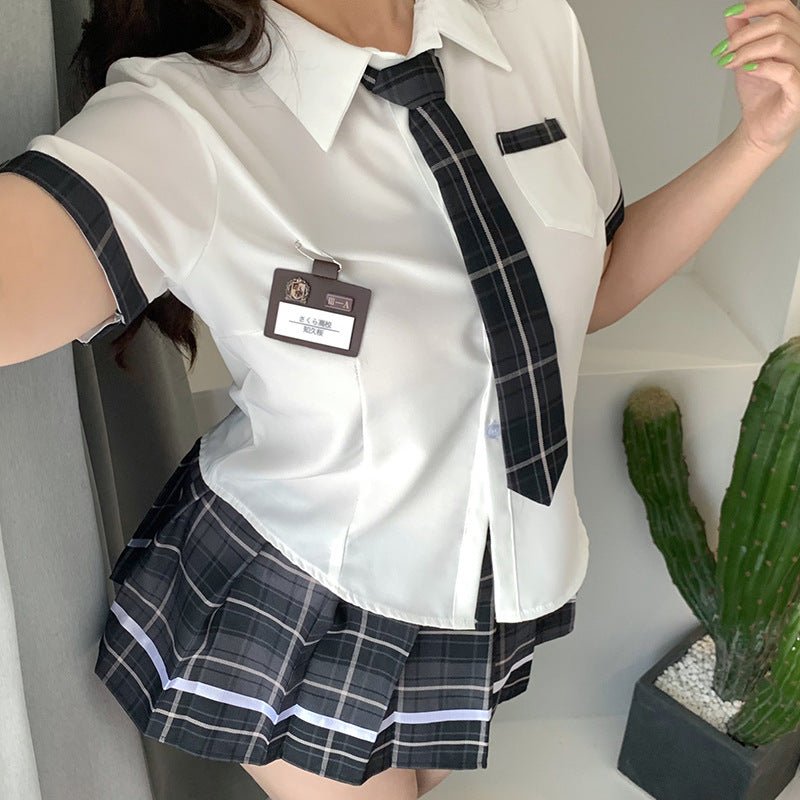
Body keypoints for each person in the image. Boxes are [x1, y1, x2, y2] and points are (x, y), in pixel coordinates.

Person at [2, 0, 799, 798]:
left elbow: (591, 285)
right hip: (308, 594)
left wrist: (756, 140)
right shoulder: (176, 120)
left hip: (498, 572)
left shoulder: (535, 26)